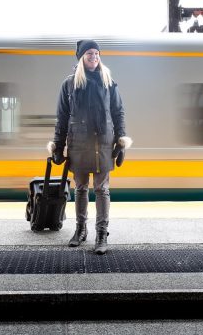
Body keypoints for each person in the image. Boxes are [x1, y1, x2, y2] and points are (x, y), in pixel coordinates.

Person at [47, 39, 132, 255]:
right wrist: (57, 145)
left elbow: (118, 112)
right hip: (79, 143)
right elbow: (62, 117)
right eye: (89, 54)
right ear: (81, 57)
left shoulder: (108, 82)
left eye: (96, 53)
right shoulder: (69, 84)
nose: (93, 57)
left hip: (103, 143)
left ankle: (101, 234)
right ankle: (80, 230)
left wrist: (121, 139)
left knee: (102, 189)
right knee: (81, 188)